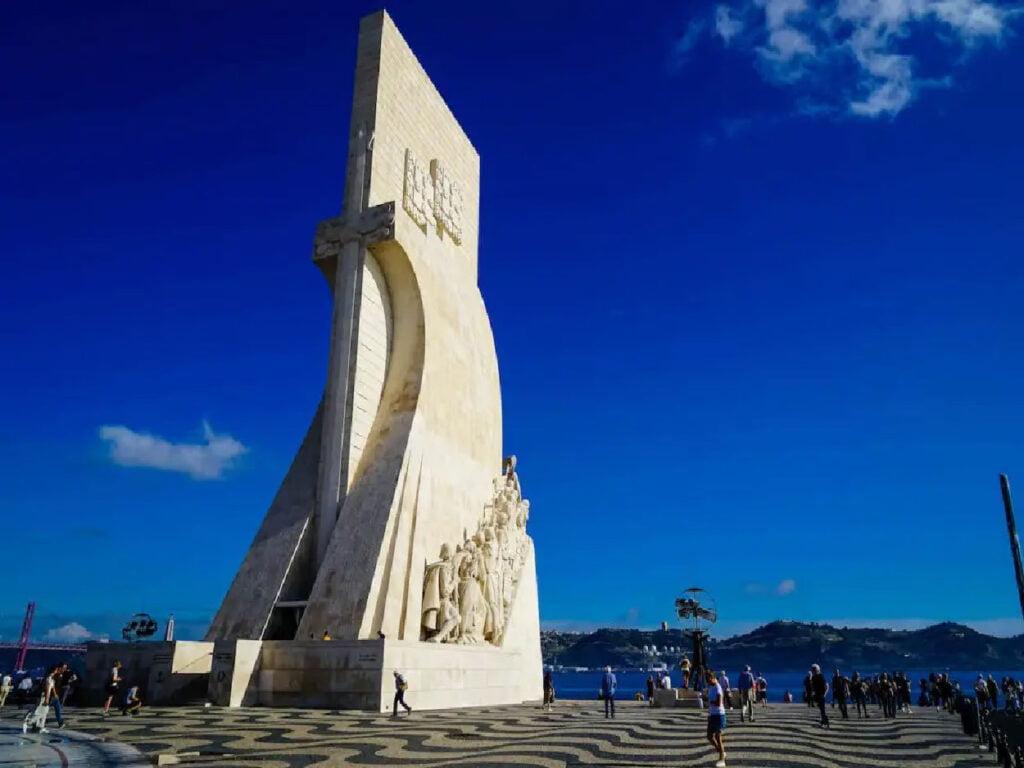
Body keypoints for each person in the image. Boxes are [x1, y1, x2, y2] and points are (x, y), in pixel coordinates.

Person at [705, 670, 727, 768]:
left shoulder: (718, 688)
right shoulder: (710, 687)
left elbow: (719, 703)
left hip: (719, 715)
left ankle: (722, 759)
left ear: (713, 678)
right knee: (709, 736)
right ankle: (721, 751)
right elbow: (710, 699)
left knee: (718, 737)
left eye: (709, 680)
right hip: (712, 714)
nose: (707, 682)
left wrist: (710, 701)